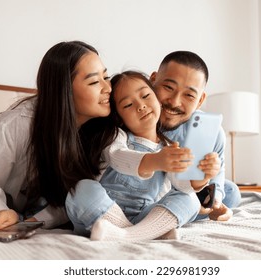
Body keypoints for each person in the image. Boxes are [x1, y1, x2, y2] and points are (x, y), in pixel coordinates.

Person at [0, 40, 113, 232]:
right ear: (64, 89)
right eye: (94, 81)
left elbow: (73, 200)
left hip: (42, 208)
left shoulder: (104, 135)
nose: (107, 87)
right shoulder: (14, 124)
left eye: (106, 77)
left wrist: (33, 222)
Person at [66, 71, 219, 241]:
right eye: (128, 105)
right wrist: (155, 161)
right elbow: (117, 157)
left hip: (143, 216)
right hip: (100, 214)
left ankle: (127, 235)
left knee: (190, 199)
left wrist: (202, 178)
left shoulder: (168, 148)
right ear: (120, 118)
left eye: (146, 96)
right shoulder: (116, 136)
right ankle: (146, 233)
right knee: (81, 189)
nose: (141, 106)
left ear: (158, 100)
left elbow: (182, 185)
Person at [150, 50, 242, 219]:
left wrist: (216, 202)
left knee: (231, 192)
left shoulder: (211, 132)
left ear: (200, 100)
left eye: (189, 95)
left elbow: (217, 175)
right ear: (153, 80)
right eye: (168, 87)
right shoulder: (137, 116)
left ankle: (187, 210)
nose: (175, 101)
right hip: (146, 190)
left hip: (189, 190)